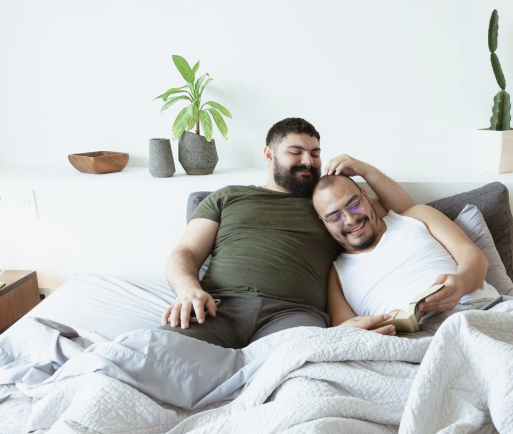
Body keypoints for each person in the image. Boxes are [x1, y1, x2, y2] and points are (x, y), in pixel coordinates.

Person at [160, 117, 414, 348]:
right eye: (296, 152)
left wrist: (364, 169)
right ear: (269, 154)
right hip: (219, 307)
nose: (308, 161)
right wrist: (187, 289)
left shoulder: (330, 203)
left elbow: (406, 211)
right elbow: (186, 252)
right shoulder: (228, 196)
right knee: (155, 353)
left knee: (303, 370)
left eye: (315, 154)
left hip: (295, 315)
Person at [311, 175, 499, 333]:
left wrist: (462, 284)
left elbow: (476, 258)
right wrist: (362, 333)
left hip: (476, 310)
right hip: (412, 342)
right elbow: (346, 333)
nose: (350, 219)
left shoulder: (416, 217)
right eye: (335, 216)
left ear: (366, 196)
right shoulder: (336, 276)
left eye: (354, 204)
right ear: (324, 223)